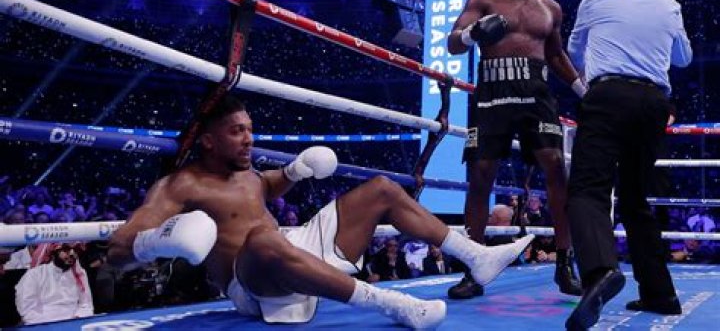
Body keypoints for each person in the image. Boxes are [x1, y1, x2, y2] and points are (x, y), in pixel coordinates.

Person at [106, 96, 534, 328]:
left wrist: (295, 170)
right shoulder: (180, 185)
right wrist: (152, 242)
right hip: (253, 284)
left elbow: (264, 186)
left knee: (382, 189)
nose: (249, 139)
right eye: (237, 132)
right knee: (263, 238)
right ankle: (393, 305)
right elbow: (117, 250)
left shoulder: (247, 173)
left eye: (250, 130)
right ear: (208, 140)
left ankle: (476, 257)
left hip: (293, 252)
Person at [446, 0, 584, 299]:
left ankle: (564, 264)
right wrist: (473, 34)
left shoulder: (550, 8)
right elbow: (452, 44)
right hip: (492, 92)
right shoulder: (484, 0)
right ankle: (473, 271)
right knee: (480, 176)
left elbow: (555, 54)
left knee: (556, 169)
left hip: (536, 92)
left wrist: (583, 90)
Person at [564, 0, 692, 330]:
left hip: (608, 95)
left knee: (587, 188)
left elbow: (573, 51)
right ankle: (660, 294)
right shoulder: (669, 6)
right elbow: (683, 58)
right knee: (635, 199)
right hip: (653, 103)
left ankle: (600, 271)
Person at [15, 243, 93, 325]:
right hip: (42, 324)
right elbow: (27, 310)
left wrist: (77, 319)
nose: (72, 253)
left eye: (75, 250)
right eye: (66, 250)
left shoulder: (79, 273)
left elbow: (86, 305)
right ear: (53, 254)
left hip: (74, 323)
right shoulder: (34, 274)